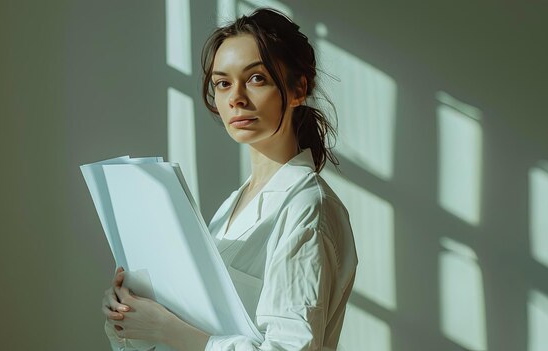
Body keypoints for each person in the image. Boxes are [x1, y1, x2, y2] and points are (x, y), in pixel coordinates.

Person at [101, 8, 357, 351]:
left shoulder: (308, 208)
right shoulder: (230, 208)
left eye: (256, 78)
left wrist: (168, 329)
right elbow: (193, 328)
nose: (235, 97)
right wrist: (129, 318)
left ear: (298, 89)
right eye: (222, 83)